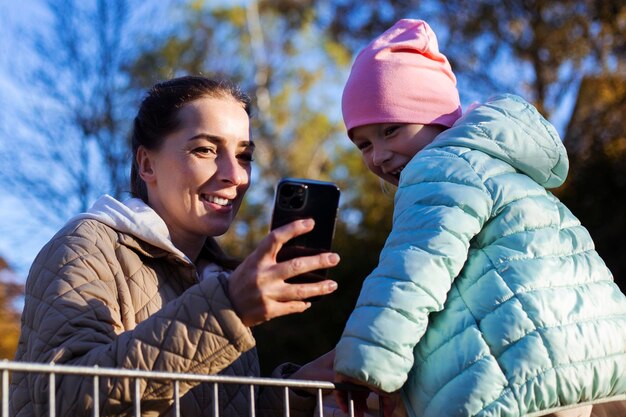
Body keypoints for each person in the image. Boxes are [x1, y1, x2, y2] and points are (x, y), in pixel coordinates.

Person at [332, 19, 626, 417]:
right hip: (593, 355)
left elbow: (415, 268)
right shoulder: (503, 169)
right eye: (364, 144)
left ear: (436, 117)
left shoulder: (439, 167)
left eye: (391, 129)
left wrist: (366, 365)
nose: (378, 155)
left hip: (524, 367)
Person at [9, 75, 340, 417]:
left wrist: (299, 392)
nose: (235, 175)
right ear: (146, 164)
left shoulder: (217, 276)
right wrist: (227, 310)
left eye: (244, 155)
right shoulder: (86, 246)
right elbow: (63, 398)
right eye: (205, 150)